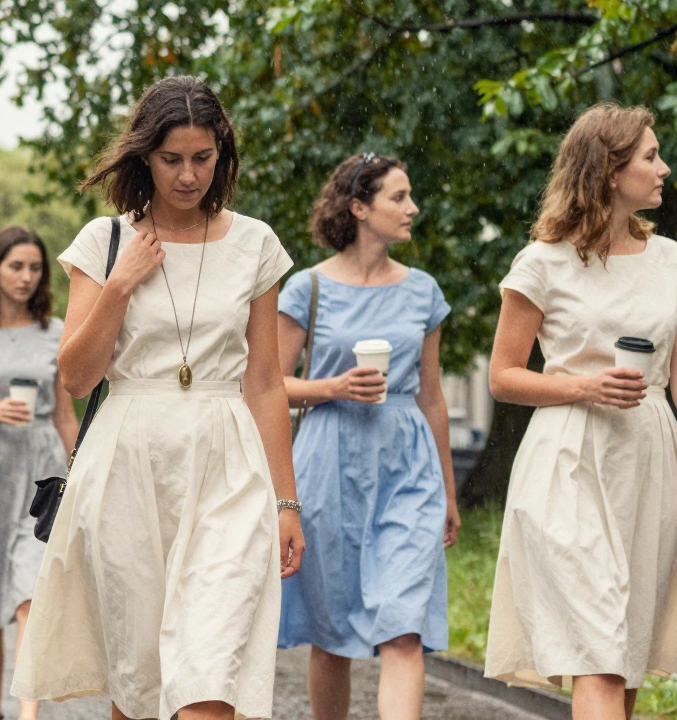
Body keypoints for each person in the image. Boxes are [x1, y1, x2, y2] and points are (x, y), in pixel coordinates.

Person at [11, 75, 306, 720]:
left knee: (211, 675)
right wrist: (119, 286)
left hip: (227, 462)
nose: (188, 175)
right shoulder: (104, 242)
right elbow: (76, 377)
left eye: (203, 158)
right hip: (128, 460)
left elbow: (264, 381)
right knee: (139, 683)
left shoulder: (255, 243)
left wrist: (286, 502)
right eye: (172, 159)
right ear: (145, 155)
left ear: (222, 155)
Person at [484, 103, 677, 720]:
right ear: (608, 170)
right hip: (568, 463)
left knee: (625, 654)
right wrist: (585, 386)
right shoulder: (542, 263)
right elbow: (503, 376)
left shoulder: (671, 261)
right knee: (599, 654)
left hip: (648, 462)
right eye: (650, 157)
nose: (664, 169)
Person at [276, 153, 460, 720]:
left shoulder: (423, 291)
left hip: (408, 466)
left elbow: (432, 397)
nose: (413, 208)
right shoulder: (306, 288)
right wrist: (331, 387)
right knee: (332, 635)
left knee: (403, 630)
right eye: (398, 197)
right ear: (359, 208)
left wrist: (449, 493)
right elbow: (268, 387)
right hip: (327, 464)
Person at [0, 226, 80, 720]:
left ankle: (28, 715)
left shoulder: (56, 331)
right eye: (16, 266)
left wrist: (80, 471)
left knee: (32, 594)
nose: (26, 277)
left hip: (41, 472)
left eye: (35, 268)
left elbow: (65, 414)